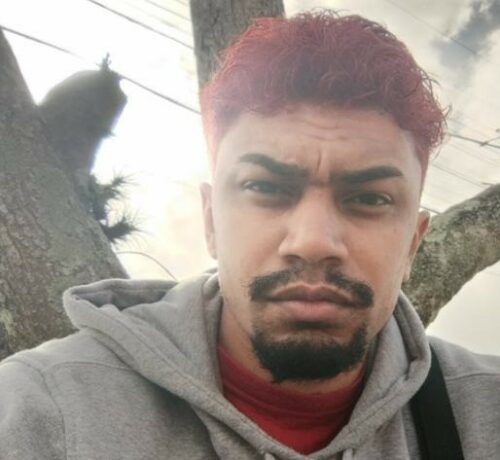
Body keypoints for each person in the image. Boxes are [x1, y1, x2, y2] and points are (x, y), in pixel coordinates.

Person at [1, 11, 499, 460]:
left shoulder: (485, 413)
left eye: (369, 198)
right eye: (266, 187)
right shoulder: (36, 411)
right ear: (211, 220)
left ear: (413, 242)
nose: (312, 241)